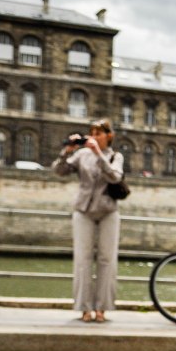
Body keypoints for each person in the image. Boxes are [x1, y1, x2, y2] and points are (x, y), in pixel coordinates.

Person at [51, 118, 124, 323]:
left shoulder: (115, 156)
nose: (94, 137)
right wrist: (67, 150)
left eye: (98, 133)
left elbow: (115, 177)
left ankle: (102, 308)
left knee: (107, 260)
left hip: (108, 211)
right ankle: (84, 308)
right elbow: (59, 171)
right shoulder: (81, 154)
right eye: (91, 133)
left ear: (109, 136)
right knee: (82, 260)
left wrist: (99, 155)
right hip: (83, 210)